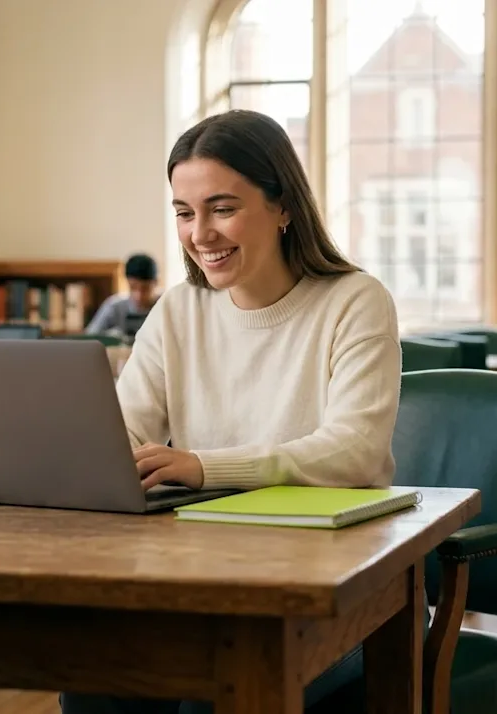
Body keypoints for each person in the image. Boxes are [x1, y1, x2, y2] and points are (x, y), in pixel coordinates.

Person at [58, 111, 407, 714]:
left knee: (208, 692)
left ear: (284, 207)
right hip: (206, 585)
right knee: (94, 680)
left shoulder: (356, 301)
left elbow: (356, 449)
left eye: (222, 208)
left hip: (341, 597)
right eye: (184, 213)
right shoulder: (177, 310)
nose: (200, 234)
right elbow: (122, 432)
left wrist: (202, 467)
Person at [84, 253, 160, 339]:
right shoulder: (114, 306)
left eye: (145, 288)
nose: (138, 296)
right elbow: (90, 336)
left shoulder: (166, 306)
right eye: (133, 287)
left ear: (156, 283)